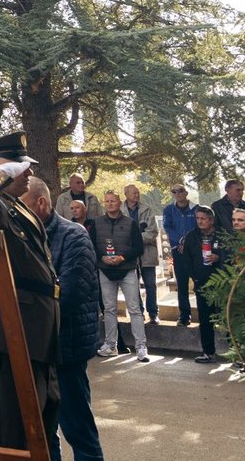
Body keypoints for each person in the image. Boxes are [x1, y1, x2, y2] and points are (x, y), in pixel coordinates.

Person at [0, 132, 59, 451]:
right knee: (8, 438)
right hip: (3, 334)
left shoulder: (17, 208)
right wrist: (3, 173)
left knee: (38, 433)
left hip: (34, 335)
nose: (28, 172)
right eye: (19, 166)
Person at [21, 178, 103, 461]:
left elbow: (68, 295)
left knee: (78, 429)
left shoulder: (74, 236)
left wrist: (24, 302)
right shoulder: (23, 236)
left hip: (66, 349)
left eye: (21, 206)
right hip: (36, 349)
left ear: (41, 203)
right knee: (43, 434)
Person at [93, 191, 148, 361]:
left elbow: (139, 248)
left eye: (113, 201)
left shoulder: (130, 223)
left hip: (127, 270)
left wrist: (122, 257)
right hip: (105, 270)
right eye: (107, 201)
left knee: (134, 309)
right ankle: (111, 345)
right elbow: (91, 245)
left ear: (119, 203)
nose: (110, 204)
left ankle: (141, 346)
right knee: (109, 309)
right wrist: (102, 257)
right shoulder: (96, 223)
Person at [179, 205, 230, 362]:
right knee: (205, 319)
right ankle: (208, 352)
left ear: (211, 220)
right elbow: (186, 260)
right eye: (197, 218)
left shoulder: (222, 235)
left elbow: (230, 255)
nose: (200, 221)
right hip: (202, 283)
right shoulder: (192, 236)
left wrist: (218, 258)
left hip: (222, 283)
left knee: (227, 318)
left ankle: (235, 354)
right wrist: (195, 277)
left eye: (203, 218)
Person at [162, 182, 198, 327]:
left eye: (180, 190)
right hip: (178, 251)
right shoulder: (168, 210)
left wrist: (187, 242)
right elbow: (168, 227)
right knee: (182, 285)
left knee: (199, 283)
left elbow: (198, 227)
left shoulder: (196, 209)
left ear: (186, 192)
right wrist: (180, 241)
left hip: (194, 251)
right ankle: (184, 315)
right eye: (174, 191)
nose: (177, 193)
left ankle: (205, 313)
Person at [123, 184, 160, 324]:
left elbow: (152, 232)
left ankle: (153, 313)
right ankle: (138, 313)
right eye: (134, 193)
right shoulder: (120, 210)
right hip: (130, 255)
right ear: (126, 194)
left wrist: (135, 239)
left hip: (147, 253)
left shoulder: (147, 209)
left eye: (138, 193)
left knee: (150, 284)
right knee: (132, 285)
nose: (137, 195)